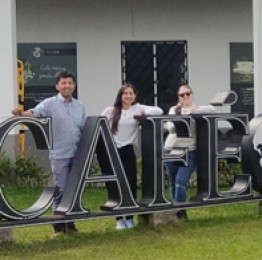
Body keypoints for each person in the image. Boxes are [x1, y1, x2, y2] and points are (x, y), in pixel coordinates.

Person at [11, 70, 85, 237]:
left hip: (78, 154)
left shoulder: (80, 106)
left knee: (72, 190)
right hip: (60, 154)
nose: (67, 86)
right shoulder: (49, 104)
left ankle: (70, 224)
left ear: (74, 85)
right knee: (61, 188)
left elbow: (83, 129)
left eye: (70, 83)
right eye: (64, 83)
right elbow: (34, 112)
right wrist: (21, 114)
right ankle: (58, 226)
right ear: (57, 86)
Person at [98, 84, 163, 229]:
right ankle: (119, 218)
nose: (128, 96)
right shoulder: (111, 111)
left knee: (130, 183)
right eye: (125, 93)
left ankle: (129, 217)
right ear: (120, 96)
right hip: (112, 151)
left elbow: (158, 111)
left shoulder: (137, 108)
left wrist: (143, 111)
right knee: (116, 184)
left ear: (135, 95)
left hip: (128, 150)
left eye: (131, 93)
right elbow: (99, 125)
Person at [164, 85, 215, 220]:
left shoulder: (198, 109)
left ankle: (179, 211)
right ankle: (177, 210)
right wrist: (183, 116)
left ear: (192, 95)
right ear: (178, 97)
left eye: (187, 94)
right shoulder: (174, 110)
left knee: (181, 181)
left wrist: (194, 110)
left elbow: (212, 109)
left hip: (190, 151)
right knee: (173, 180)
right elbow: (170, 127)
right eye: (182, 95)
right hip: (171, 149)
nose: (185, 97)